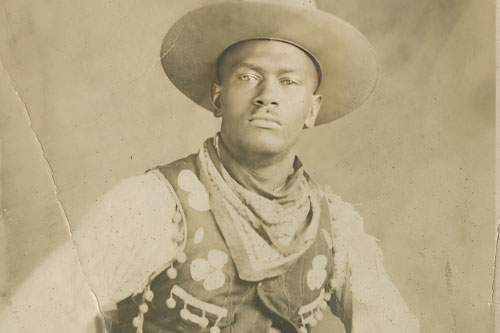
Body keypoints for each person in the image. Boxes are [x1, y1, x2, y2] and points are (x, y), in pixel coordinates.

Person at [0, 1, 419, 332]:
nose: (267, 95)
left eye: (288, 81)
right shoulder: (154, 206)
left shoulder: (333, 227)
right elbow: (33, 318)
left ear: (312, 108)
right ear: (218, 97)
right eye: (248, 76)